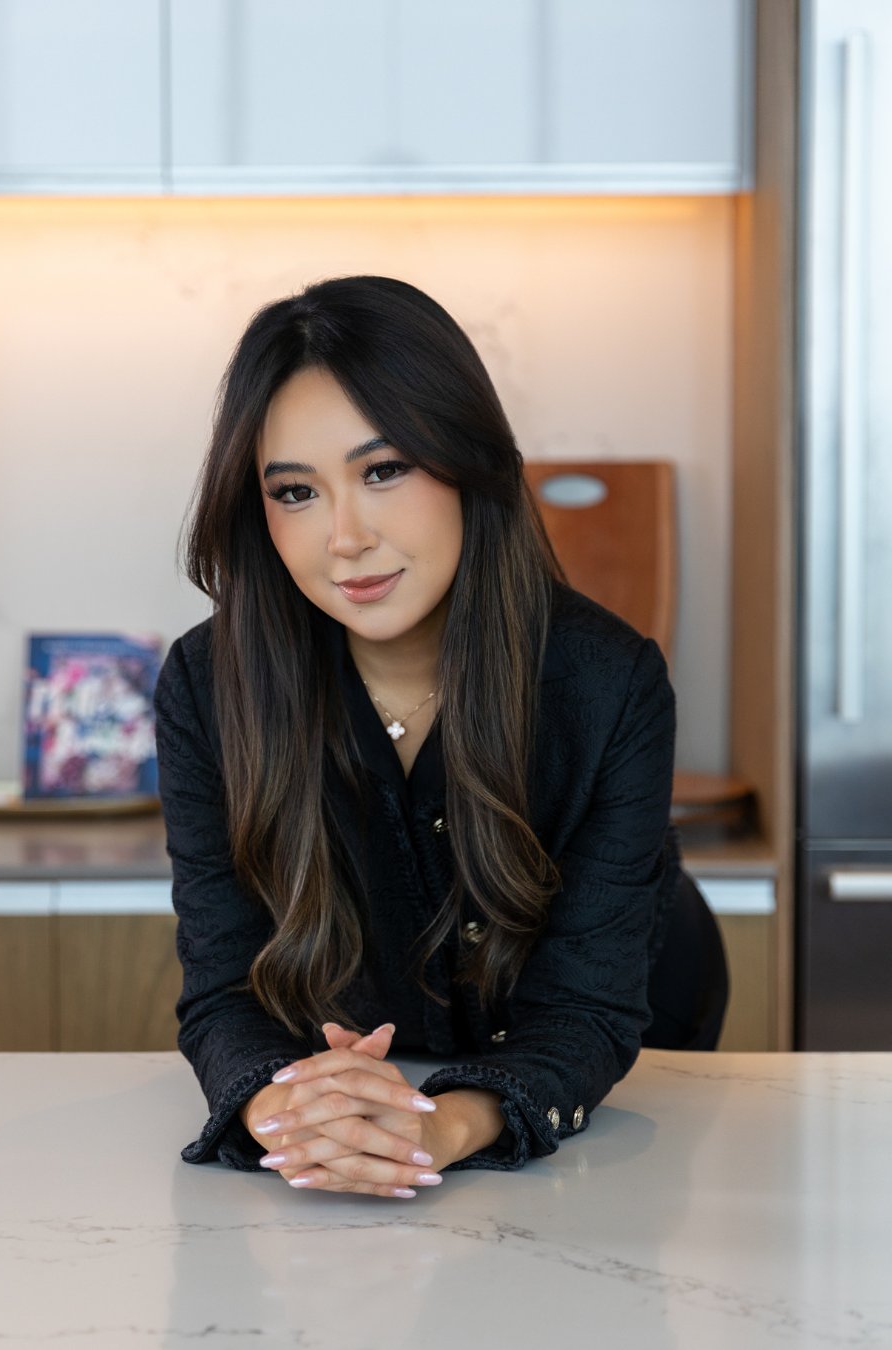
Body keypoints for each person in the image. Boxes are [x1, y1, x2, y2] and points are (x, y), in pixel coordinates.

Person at [154, 274, 728, 1202]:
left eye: (384, 471)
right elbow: (225, 992)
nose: (344, 537)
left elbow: (584, 1009)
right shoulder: (207, 685)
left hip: (585, 1100)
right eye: (295, 492)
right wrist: (285, 1112)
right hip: (339, 1105)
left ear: (468, 463)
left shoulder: (609, 681)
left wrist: (439, 1128)